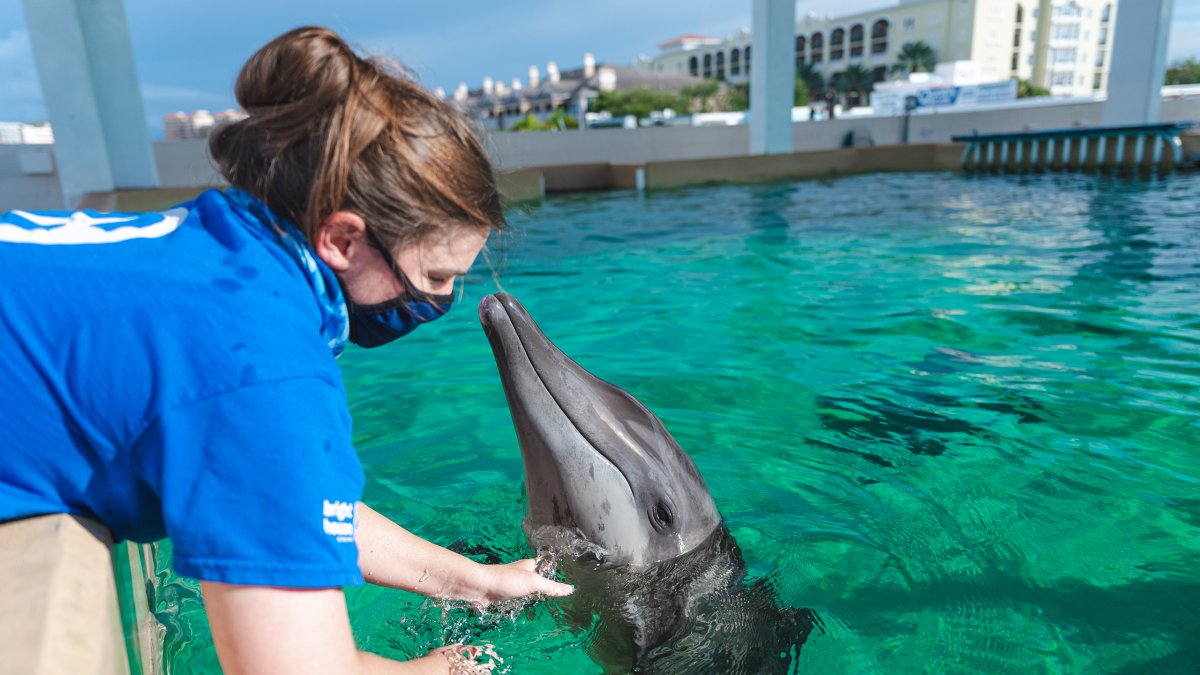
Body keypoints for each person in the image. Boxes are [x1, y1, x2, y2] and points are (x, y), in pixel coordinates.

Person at [0, 26, 571, 674]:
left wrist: (470, 580)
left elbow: (289, 492)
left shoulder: (224, 250)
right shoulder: (258, 364)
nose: (444, 298)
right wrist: (440, 668)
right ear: (344, 240)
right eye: (436, 277)